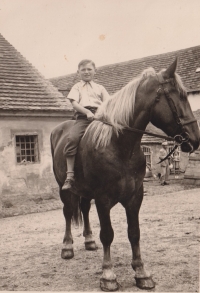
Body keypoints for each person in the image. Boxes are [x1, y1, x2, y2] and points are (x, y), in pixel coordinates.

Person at [62, 59, 110, 190]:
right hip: (83, 117)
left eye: (89, 69)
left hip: (100, 116)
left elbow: (107, 102)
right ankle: (70, 175)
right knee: (72, 139)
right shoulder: (76, 87)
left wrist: (101, 113)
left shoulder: (100, 88)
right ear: (78, 72)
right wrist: (87, 112)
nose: (86, 72)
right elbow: (74, 103)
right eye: (83, 70)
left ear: (95, 71)